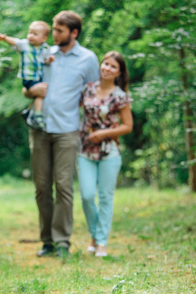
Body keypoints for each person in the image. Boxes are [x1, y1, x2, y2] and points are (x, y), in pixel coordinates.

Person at [24, 11, 99, 257]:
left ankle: (62, 241)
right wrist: (31, 91)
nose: (53, 34)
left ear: (73, 33)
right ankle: (47, 241)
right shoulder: (44, 53)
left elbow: (92, 96)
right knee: (42, 187)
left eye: (59, 30)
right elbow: (28, 86)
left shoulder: (88, 59)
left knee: (64, 186)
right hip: (40, 129)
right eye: (53, 29)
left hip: (67, 130)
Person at [78, 51, 133, 257]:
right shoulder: (88, 89)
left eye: (113, 66)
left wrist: (104, 133)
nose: (107, 68)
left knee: (105, 197)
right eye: (105, 64)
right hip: (85, 151)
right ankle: (95, 234)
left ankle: (100, 242)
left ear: (119, 72)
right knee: (86, 195)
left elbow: (128, 126)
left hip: (110, 153)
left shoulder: (120, 96)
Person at [0, 21, 54, 129]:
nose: (31, 36)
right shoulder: (25, 45)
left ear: (44, 38)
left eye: (35, 34)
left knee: (39, 94)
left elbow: (46, 62)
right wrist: (5, 39)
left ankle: (31, 113)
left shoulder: (45, 49)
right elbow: (15, 42)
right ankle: (38, 116)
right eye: (30, 33)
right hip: (28, 78)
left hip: (38, 77)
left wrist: (50, 60)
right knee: (40, 94)